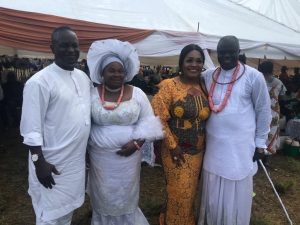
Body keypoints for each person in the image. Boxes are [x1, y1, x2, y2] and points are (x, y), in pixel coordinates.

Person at [86, 39, 164, 225]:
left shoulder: (138, 94)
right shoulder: (91, 93)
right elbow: (83, 122)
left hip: (128, 159)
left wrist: (137, 143)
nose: (116, 74)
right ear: (102, 72)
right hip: (100, 158)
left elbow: (149, 123)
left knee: (125, 193)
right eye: (111, 70)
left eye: (120, 70)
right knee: (103, 194)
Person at [20, 26, 91, 225]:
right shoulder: (39, 82)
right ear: (52, 48)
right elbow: (30, 129)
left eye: (74, 46)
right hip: (50, 163)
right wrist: (38, 163)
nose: (70, 50)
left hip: (74, 163)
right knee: (49, 216)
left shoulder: (83, 78)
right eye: (64, 46)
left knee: (66, 212)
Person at [198, 36, 271, 225]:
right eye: (222, 52)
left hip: (239, 148)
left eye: (231, 52)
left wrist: (260, 143)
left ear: (239, 52)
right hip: (214, 148)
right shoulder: (208, 76)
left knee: (236, 188)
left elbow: (263, 111)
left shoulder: (254, 76)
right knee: (213, 191)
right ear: (217, 54)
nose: (226, 56)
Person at [151, 44, 210, 225]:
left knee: (190, 194)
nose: (194, 64)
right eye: (189, 60)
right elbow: (158, 118)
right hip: (176, 152)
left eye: (199, 61)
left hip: (199, 152)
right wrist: (173, 146)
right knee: (180, 192)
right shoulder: (169, 86)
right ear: (181, 63)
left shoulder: (205, 86)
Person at [258, 61, 286, 154]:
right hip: (274, 111)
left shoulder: (258, 80)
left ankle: (257, 152)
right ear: (271, 69)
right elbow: (282, 97)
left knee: (259, 130)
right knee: (271, 131)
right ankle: (266, 156)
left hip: (260, 110)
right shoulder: (279, 82)